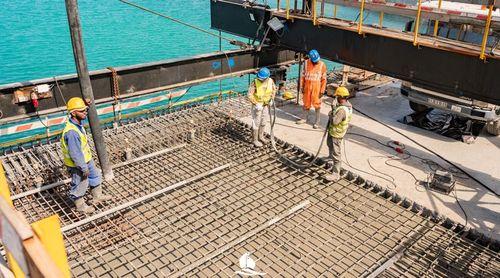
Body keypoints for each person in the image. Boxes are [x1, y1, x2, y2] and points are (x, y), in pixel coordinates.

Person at [61, 97, 112, 213]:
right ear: (73, 113)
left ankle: (97, 196)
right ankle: (80, 207)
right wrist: (83, 167)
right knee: (80, 184)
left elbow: (81, 112)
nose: (85, 112)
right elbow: (75, 154)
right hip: (78, 165)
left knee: (95, 176)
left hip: (87, 160)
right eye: (82, 110)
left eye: (85, 110)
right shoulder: (72, 132)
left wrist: (86, 105)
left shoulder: (77, 122)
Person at [325, 86, 352, 182]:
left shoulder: (341, 110)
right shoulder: (346, 105)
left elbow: (335, 122)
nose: (335, 98)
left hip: (337, 134)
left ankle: (336, 174)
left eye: (337, 97)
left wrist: (332, 112)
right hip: (333, 132)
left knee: (336, 153)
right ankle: (329, 157)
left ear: (340, 97)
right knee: (329, 144)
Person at [296, 49, 327, 129]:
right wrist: (302, 86)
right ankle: (304, 118)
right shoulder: (306, 63)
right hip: (307, 86)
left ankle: (317, 121)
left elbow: (324, 79)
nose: (316, 62)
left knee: (317, 104)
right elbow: (303, 76)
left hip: (316, 87)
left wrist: (322, 91)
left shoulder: (322, 65)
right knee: (306, 103)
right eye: (315, 61)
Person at [248, 67, 277, 147]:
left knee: (264, 121)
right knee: (256, 122)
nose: (261, 80)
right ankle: (255, 140)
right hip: (257, 106)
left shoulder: (271, 81)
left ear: (267, 77)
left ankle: (261, 136)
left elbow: (274, 90)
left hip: (266, 105)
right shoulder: (255, 82)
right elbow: (250, 95)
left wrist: (272, 99)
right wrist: (256, 103)